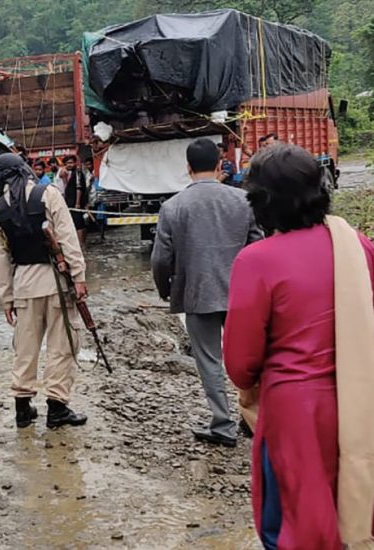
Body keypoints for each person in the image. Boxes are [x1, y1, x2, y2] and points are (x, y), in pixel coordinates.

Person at [223, 144, 374, 549]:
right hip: (361, 403)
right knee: (354, 513)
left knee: (288, 525)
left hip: (295, 414)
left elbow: (240, 362)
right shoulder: (358, 247)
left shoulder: (257, 261)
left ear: (261, 202)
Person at [151, 138, 263, 447]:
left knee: (210, 361)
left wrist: (166, 288)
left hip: (198, 295)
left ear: (187, 168)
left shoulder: (172, 207)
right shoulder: (243, 201)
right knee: (252, 358)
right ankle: (257, 420)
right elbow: (258, 246)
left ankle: (223, 426)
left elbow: (161, 258)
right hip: (242, 295)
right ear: (219, 165)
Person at [0, 153, 88, 429]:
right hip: (56, 281)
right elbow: (68, 239)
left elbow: (1, 259)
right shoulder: (49, 194)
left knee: (25, 347)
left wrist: (6, 298)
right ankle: (56, 408)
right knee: (62, 345)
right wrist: (79, 276)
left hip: (23, 285)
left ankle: (23, 408)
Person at [58, 155, 88, 247]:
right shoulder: (69, 173)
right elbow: (67, 187)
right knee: (75, 222)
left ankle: (81, 243)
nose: (69, 165)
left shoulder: (78, 173)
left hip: (76, 202)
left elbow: (79, 188)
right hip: (70, 202)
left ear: (75, 163)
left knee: (79, 223)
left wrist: (77, 203)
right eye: (67, 163)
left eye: (71, 163)